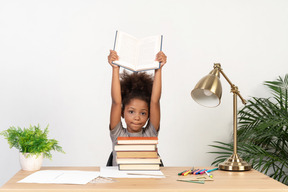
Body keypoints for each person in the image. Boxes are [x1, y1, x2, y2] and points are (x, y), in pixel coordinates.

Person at [107, 50, 167, 166]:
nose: (137, 117)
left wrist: (158, 69)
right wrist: (115, 69)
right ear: (122, 112)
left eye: (143, 113)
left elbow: (155, 101)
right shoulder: (118, 134)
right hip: (121, 183)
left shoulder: (150, 134)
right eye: (131, 111)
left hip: (146, 183)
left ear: (149, 114)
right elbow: (116, 102)